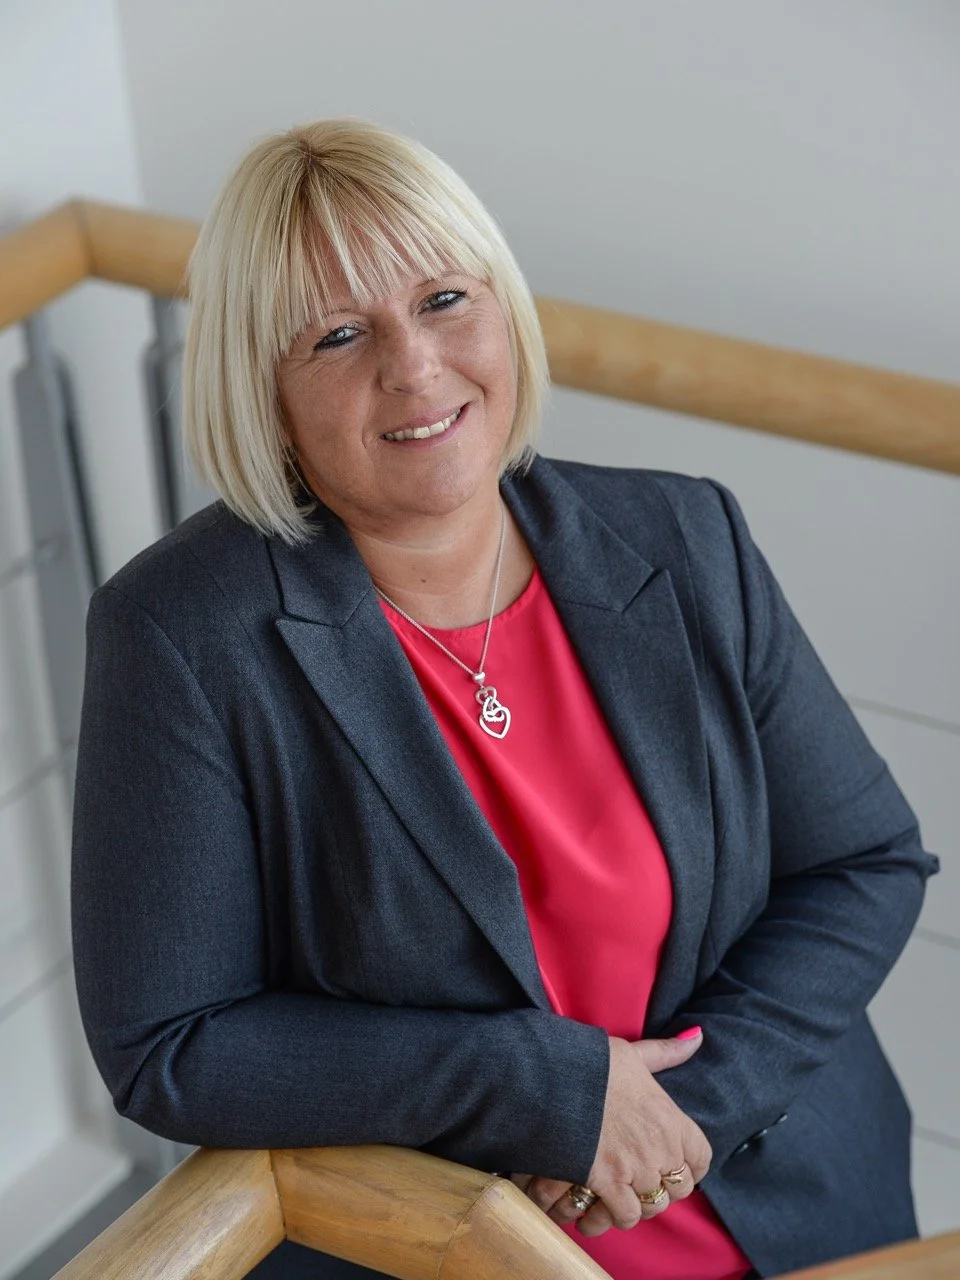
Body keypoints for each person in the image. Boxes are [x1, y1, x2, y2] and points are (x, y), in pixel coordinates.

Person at [71, 119, 937, 1280]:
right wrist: (541, 1083)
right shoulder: (180, 632)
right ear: (262, 391)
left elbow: (864, 860)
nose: (415, 366)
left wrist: (677, 1118)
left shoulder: (684, 536)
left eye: (443, 299)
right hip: (441, 1245)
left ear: (504, 308)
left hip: (790, 1202)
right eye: (337, 333)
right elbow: (171, 1046)